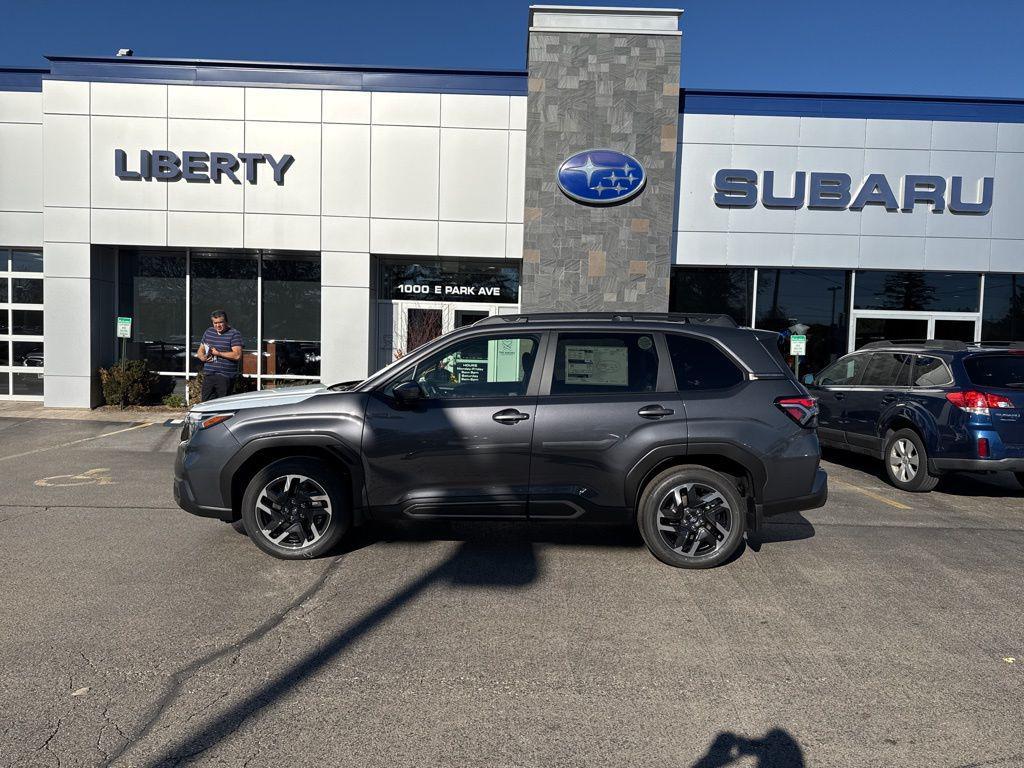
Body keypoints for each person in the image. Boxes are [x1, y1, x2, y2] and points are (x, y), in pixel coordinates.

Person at [196, 310, 243, 402]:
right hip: (209, 375)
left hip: (225, 376)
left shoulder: (234, 334)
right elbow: (200, 350)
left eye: (220, 322)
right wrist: (202, 357)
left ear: (226, 322)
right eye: (215, 323)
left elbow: (237, 355)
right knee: (206, 403)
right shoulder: (209, 332)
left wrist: (219, 353)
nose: (218, 325)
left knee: (222, 404)